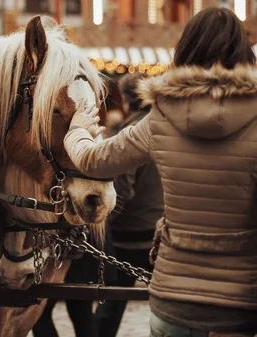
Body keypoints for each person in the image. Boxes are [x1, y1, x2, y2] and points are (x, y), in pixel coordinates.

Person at [63, 7, 257, 336]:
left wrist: (76, 130)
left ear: (185, 52)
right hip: (241, 305)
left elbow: (94, 160)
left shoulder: (160, 116)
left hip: (173, 300)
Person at [93, 72, 163, 337]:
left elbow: (122, 190)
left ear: (125, 99)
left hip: (130, 234)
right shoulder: (167, 129)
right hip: (159, 230)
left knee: (112, 304)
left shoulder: (131, 133)